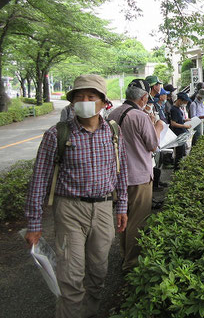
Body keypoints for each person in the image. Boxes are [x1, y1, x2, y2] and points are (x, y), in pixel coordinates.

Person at [25, 74, 128, 318]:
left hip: (103, 209)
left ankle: (90, 313)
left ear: (104, 102)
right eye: (79, 96)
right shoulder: (57, 134)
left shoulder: (113, 132)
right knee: (70, 276)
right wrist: (34, 223)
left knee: (99, 272)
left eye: (91, 96)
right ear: (72, 103)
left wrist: (122, 206)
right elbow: (39, 180)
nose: (84, 101)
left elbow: (121, 170)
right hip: (70, 210)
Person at [108, 78, 164, 271]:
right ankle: (131, 263)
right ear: (143, 97)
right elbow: (153, 145)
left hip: (118, 176)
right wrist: (157, 126)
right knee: (138, 220)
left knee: (124, 216)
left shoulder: (112, 113)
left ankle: (124, 254)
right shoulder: (139, 116)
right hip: (139, 176)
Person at [169, 92, 192, 170]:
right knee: (179, 154)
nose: (185, 104)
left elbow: (178, 120)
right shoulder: (174, 109)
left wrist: (185, 120)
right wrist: (184, 125)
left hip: (182, 133)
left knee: (182, 153)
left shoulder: (178, 109)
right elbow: (173, 123)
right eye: (185, 102)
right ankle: (177, 170)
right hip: (179, 134)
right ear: (180, 100)